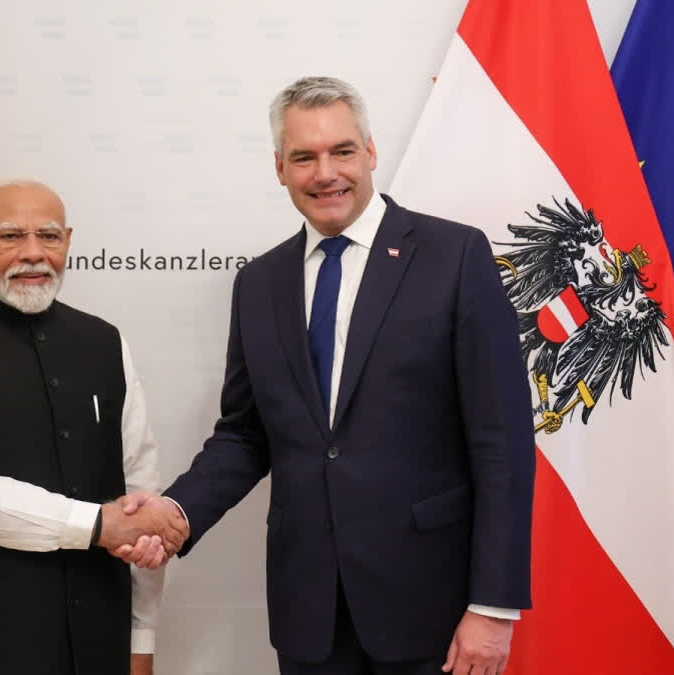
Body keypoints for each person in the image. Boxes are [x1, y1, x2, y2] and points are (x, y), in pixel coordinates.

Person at [122, 77, 535, 674]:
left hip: (433, 609)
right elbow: (245, 434)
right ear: (279, 167)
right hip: (309, 613)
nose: (325, 173)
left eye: (342, 151)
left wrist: (493, 605)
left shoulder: (456, 256)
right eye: (304, 157)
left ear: (370, 153)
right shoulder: (260, 283)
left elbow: (501, 442)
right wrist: (176, 514)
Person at [0, 178, 186, 675]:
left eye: (48, 236)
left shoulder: (105, 342)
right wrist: (96, 525)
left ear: (67, 241)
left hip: (96, 642)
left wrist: (142, 639)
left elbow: (140, 494)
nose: (33, 254)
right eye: (9, 236)